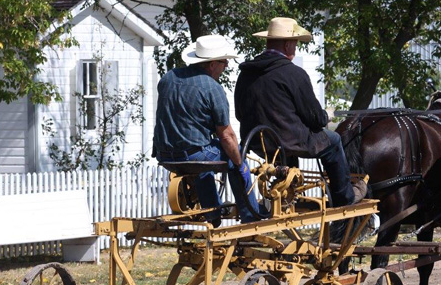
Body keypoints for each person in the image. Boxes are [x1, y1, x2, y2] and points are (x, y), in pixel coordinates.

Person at [234, 17, 366, 207]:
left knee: (289, 143)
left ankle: (285, 192)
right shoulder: (293, 74)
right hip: (289, 142)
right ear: (287, 45)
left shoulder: (245, 74)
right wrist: (325, 115)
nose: (295, 50)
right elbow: (314, 119)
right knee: (334, 140)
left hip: (256, 143)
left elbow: (239, 114)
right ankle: (345, 197)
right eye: (295, 44)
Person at [153, 34, 259, 225]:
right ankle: (251, 218)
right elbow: (227, 136)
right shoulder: (212, 88)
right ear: (211, 64)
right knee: (234, 157)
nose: (226, 65)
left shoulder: (168, 78)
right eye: (224, 62)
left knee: (207, 154)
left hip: (165, 156)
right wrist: (240, 164)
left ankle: (213, 213)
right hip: (194, 156)